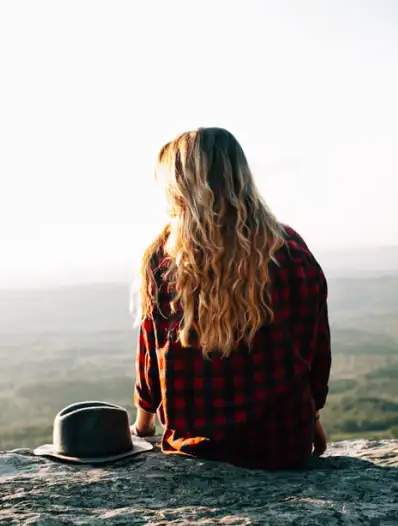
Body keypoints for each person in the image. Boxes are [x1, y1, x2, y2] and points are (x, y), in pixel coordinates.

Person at [130, 127, 331, 470]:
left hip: (196, 449)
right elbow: (313, 348)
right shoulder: (289, 249)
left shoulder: (163, 257)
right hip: (282, 443)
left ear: (178, 188)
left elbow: (152, 356)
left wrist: (142, 427)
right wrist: (311, 419)